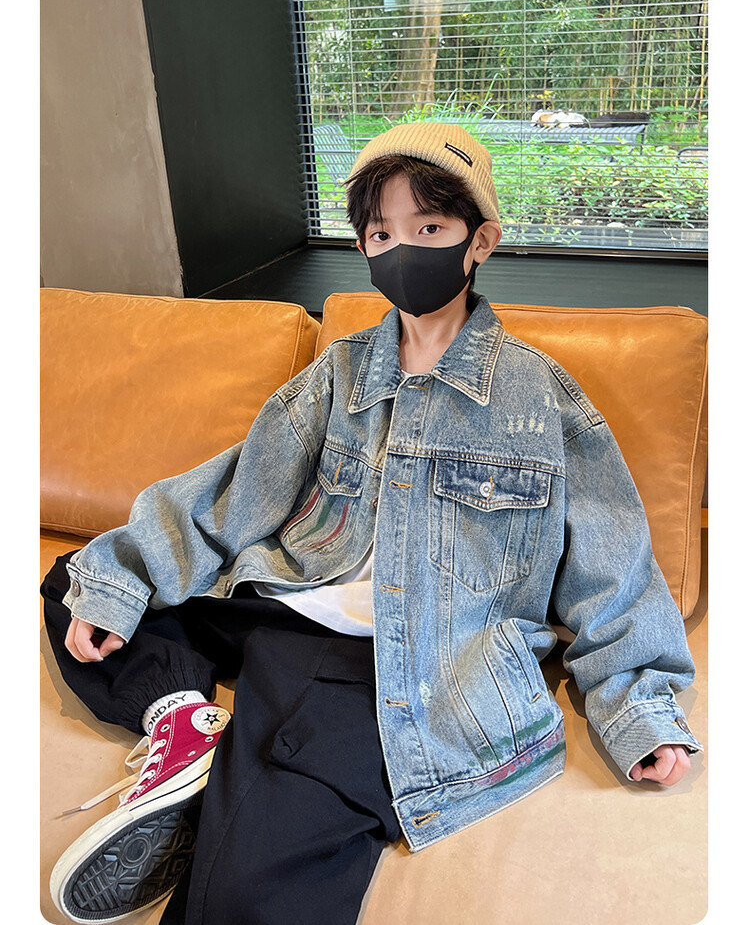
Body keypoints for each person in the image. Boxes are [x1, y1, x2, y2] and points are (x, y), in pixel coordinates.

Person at [42, 121, 702, 925]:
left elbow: (613, 571)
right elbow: (237, 492)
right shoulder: (341, 372)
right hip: (287, 600)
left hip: (399, 660)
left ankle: (215, 788)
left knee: (246, 890)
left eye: (429, 227)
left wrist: (638, 711)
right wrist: (123, 578)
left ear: (479, 240)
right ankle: (183, 723)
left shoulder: (542, 400)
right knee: (83, 581)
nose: (402, 250)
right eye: (382, 233)